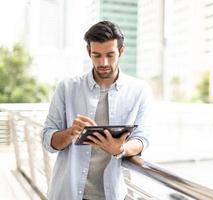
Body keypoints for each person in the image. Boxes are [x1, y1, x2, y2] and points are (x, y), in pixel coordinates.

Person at [42, 20, 152, 200]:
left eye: (110, 55)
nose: (104, 62)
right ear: (88, 52)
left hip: (111, 195)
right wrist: (71, 132)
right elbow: (48, 140)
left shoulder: (139, 90)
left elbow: (142, 138)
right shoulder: (67, 88)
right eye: (97, 55)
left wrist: (120, 148)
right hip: (66, 193)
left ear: (121, 51)